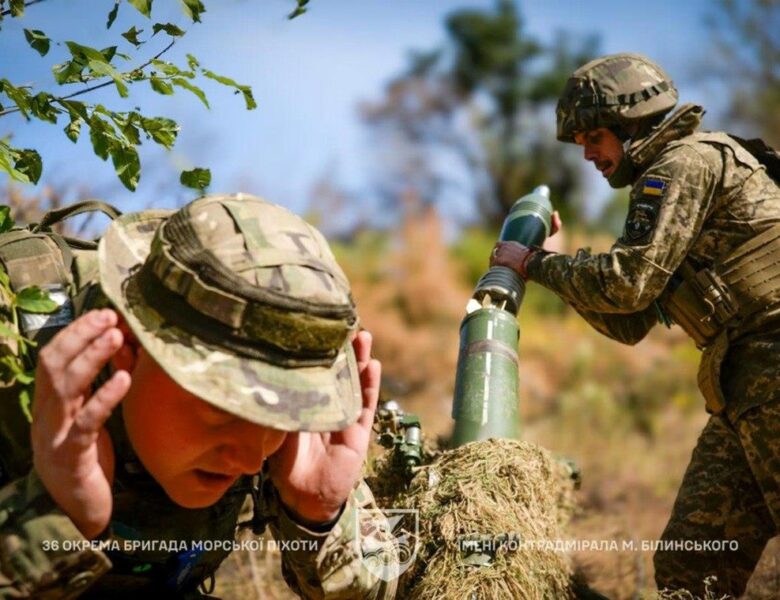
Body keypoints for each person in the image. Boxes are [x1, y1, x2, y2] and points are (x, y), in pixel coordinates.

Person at [0, 194, 398, 598]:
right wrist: (54, 520)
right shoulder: (11, 339)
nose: (248, 460)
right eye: (223, 409)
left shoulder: (294, 440)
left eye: (279, 421)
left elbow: (386, 586)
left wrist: (320, 516)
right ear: (128, 349)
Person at [490, 52, 780, 597]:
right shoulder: (669, 177)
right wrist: (554, 263)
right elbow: (629, 322)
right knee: (692, 568)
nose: (590, 156)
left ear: (632, 123)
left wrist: (531, 264)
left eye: (595, 137)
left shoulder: (682, 166)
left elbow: (626, 284)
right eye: (581, 145)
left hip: (771, 367)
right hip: (745, 383)